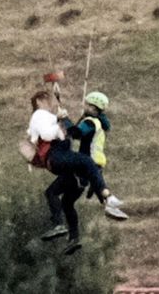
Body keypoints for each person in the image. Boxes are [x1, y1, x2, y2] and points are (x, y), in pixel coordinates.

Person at [24, 90, 101, 254]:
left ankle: (59, 225)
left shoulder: (54, 129)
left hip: (74, 173)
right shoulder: (49, 121)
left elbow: (66, 131)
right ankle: (74, 239)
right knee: (66, 203)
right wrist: (60, 110)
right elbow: (67, 130)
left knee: (52, 193)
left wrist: (61, 115)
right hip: (79, 176)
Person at [66, 90, 129, 221]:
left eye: (87, 105)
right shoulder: (99, 122)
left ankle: (109, 201)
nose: (85, 106)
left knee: (87, 184)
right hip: (98, 160)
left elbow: (77, 134)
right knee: (97, 184)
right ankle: (110, 208)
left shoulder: (90, 122)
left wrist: (65, 120)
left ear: (93, 108)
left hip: (89, 159)